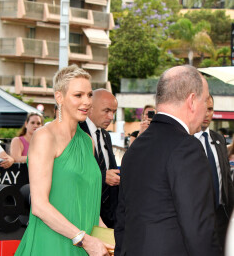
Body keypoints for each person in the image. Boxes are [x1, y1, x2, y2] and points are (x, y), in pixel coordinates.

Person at [115, 65, 220, 256]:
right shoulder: (187, 148)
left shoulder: (135, 148)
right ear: (192, 101)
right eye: (205, 101)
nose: (206, 110)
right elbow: (199, 230)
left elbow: (122, 221)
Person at [15, 65, 113, 255]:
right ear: (59, 97)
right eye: (78, 95)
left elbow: (88, 203)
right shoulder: (44, 137)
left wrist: (109, 239)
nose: (87, 102)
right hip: (53, 242)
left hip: (85, 243)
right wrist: (85, 241)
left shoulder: (87, 142)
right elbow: (40, 206)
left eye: (89, 95)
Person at [194, 94, 234, 251]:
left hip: (221, 216)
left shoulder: (219, 139)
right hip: (197, 217)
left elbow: (226, 179)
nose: (206, 114)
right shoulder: (185, 141)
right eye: (203, 109)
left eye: (210, 109)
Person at [79, 89, 119, 228]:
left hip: (109, 216)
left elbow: (110, 169)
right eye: (106, 111)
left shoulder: (105, 135)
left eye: (113, 112)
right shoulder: (75, 132)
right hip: (83, 213)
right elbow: (73, 172)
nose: (111, 116)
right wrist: (102, 176)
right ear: (90, 108)